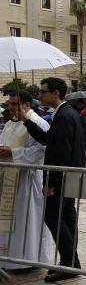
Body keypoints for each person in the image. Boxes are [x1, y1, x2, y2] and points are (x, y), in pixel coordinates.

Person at [21, 77, 85, 282]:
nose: (39, 95)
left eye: (43, 91)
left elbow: (61, 153)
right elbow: (50, 141)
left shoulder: (65, 115)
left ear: (55, 93)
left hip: (64, 177)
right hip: (70, 175)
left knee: (55, 217)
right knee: (65, 218)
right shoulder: (66, 114)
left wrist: (52, 183)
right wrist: (26, 121)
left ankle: (69, 263)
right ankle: (71, 262)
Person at [0, 91, 55, 271]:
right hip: (9, 179)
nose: (12, 108)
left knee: (27, 220)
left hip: (28, 180)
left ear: (27, 105)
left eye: (15, 104)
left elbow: (42, 150)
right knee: (10, 220)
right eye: (10, 104)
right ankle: (9, 258)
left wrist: (13, 153)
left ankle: (29, 258)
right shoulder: (10, 124)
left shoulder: (38, 123)